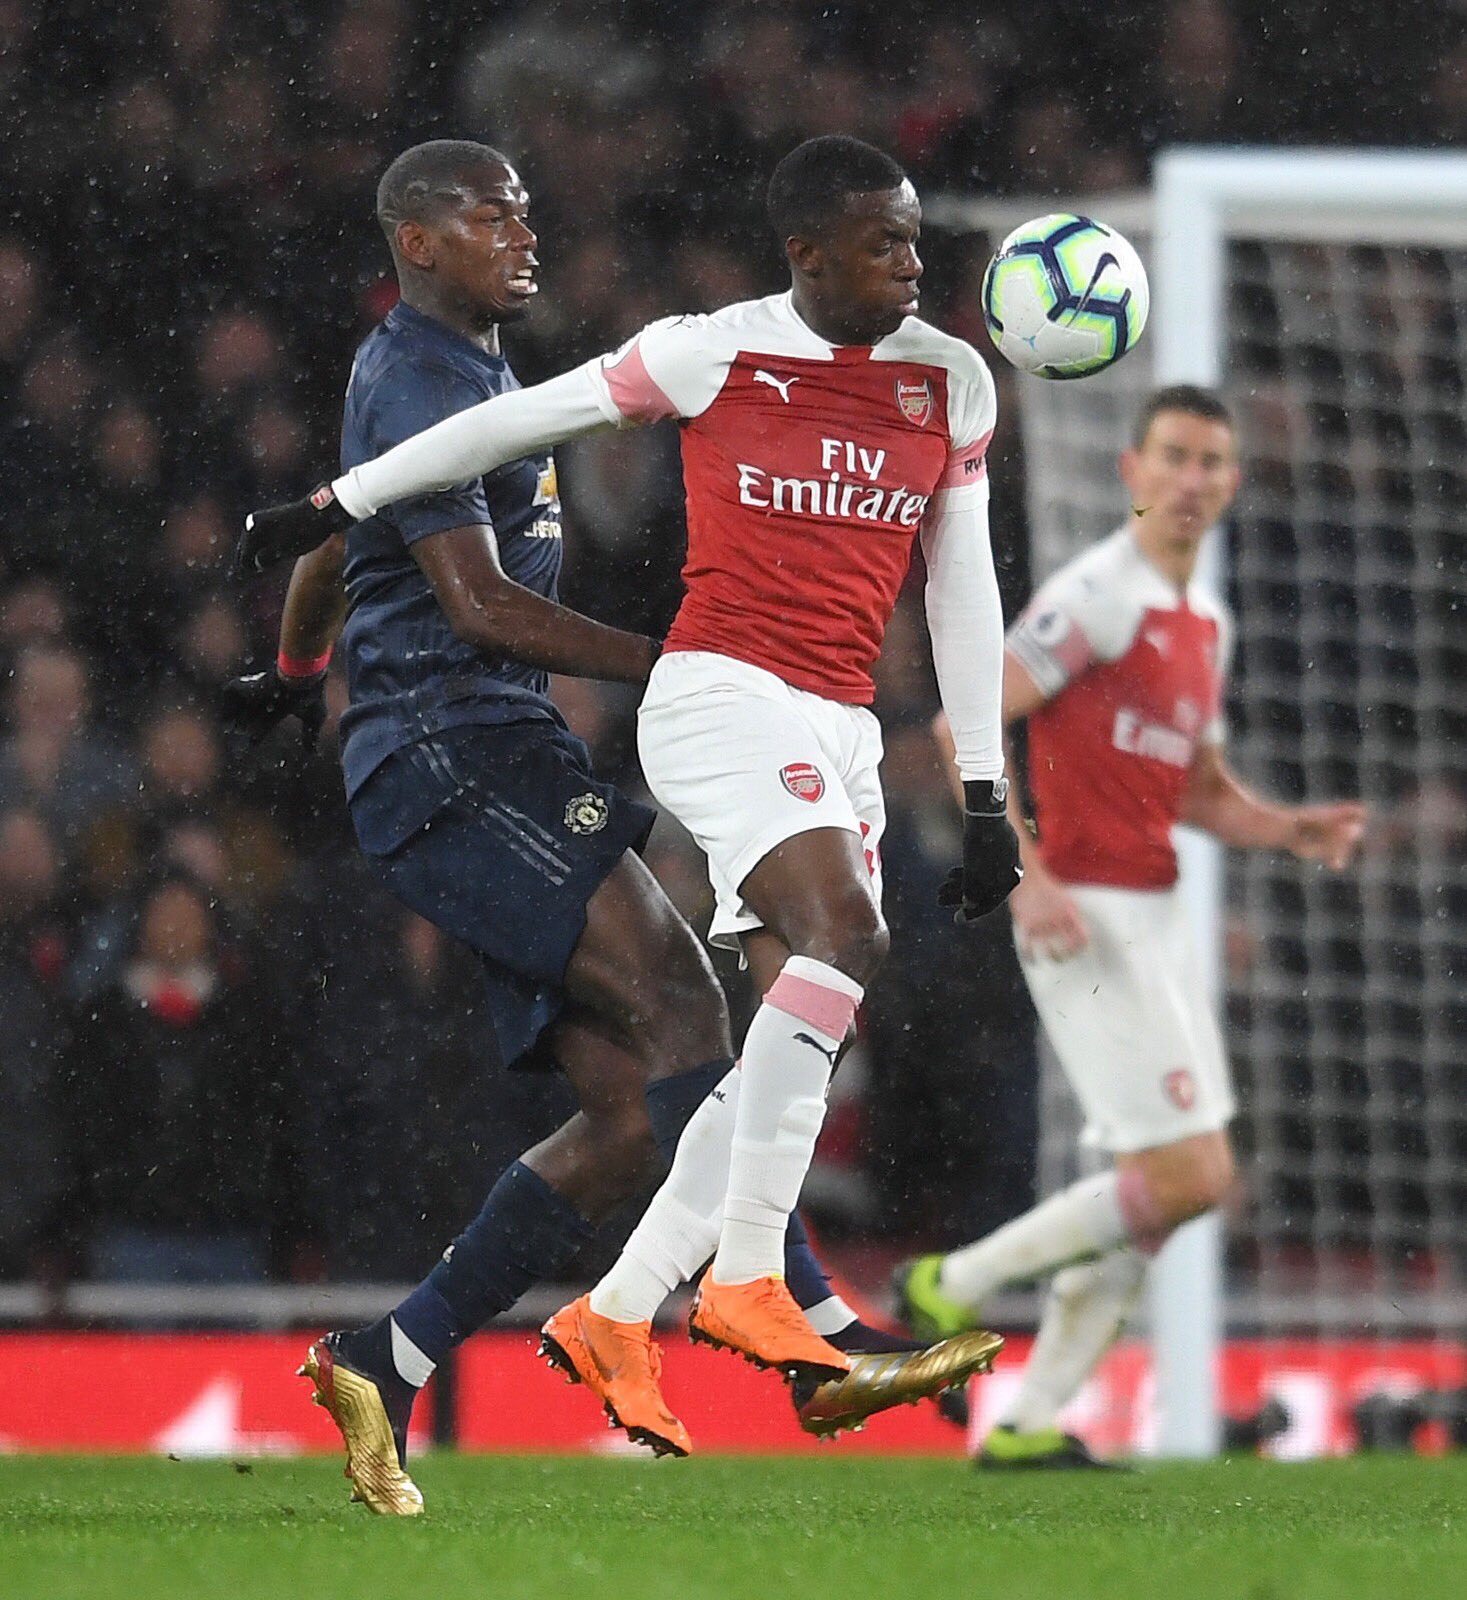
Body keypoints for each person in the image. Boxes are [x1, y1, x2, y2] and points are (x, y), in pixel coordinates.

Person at [228, 139, 991, 1508]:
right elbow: (474, 607)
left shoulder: (473, 379)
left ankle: (384, 1360)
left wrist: (288, 677)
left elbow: (343, 547)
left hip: (486, 747)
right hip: (452, 749)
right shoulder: (411, 370)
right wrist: (697, 660)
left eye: (528, 205)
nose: (523, 230)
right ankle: (799, 1323)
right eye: (488, 212)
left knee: (638, 1115)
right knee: (694, 1018)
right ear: (413, 240)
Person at [898, 386, 1366, 1467]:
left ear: (1233, 481)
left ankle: (1023, 1424)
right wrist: (1022, 872)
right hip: (1082, 913)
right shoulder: (1097, 594)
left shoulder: (1207, 620)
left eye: (1212, 461)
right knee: (1197, 1175)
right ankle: (950, 1282)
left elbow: (1197, 791)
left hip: (1151, 910)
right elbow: (959, 715)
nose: (1193, 478)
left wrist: (1287, 830)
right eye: (1175, 457)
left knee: (1152, 1197)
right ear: (1133, 470)